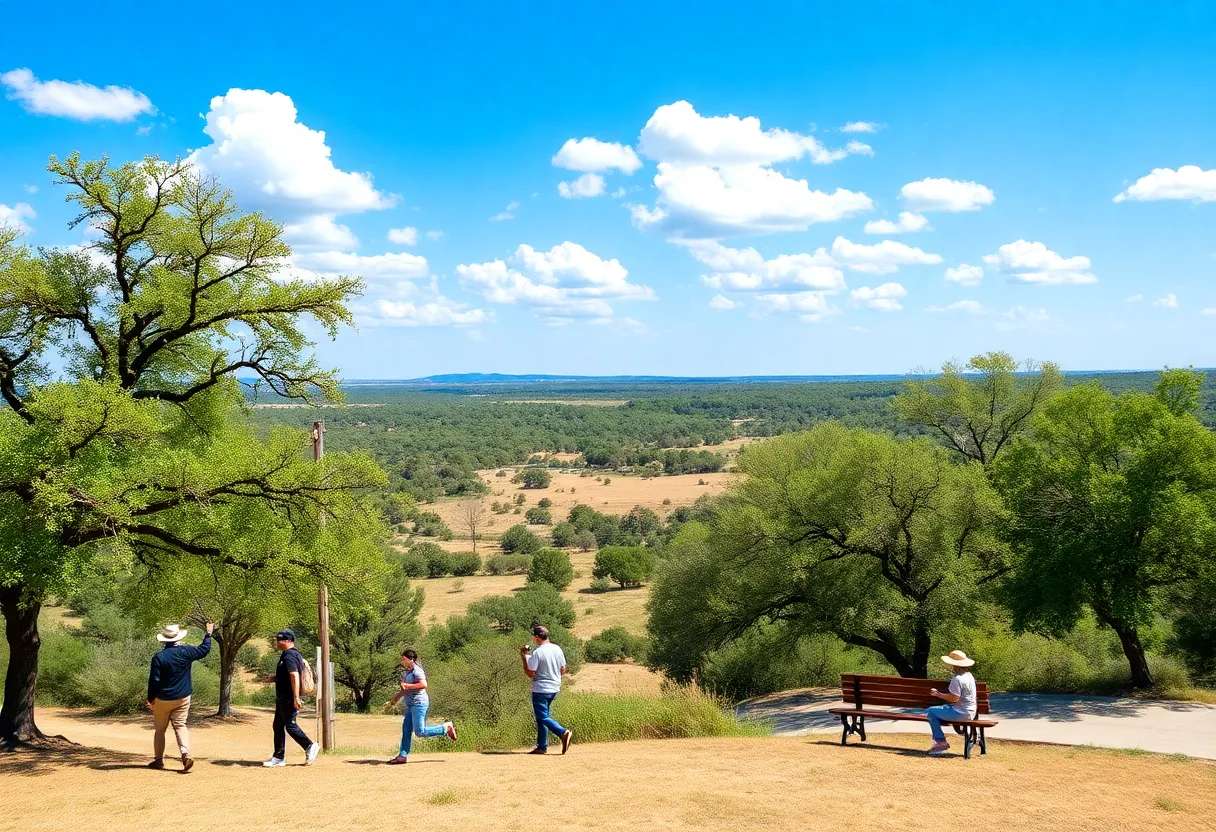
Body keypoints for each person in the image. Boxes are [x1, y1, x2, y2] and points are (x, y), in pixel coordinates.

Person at [146, 621, 213, 772]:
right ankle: (186, 754)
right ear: (178, 638)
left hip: (163, 699)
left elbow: (154, 681)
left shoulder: (159, 657)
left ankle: (158, 760)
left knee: (160, 729)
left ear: (164, 639)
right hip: (183, 697)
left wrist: (151, 699)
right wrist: (208, 634)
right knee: (180, 725)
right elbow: (204, 650)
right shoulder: (186, 651)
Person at [385, 648, 457, 764]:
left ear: (411, 659)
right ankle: (402, 756)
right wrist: (394, 700)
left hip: (419, 703)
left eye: (404, 659)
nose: (402, 661)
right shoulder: (408, 672)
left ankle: (445, 728)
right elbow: (405, 689)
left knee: (420, 732)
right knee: (406, 730)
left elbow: (423, 684)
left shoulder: (417, 671)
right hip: (411, 704)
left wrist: (407, 686)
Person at [263, 629, 319, 767]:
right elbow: (287, 676)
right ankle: (278, 757)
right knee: (278, 725)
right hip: (283, 696)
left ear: (287, 641)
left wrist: (296, 698)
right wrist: (274, 679)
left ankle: (309, 746)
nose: (277, 642)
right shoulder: (287, 655)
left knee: (290, 725)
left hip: (288, 697)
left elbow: (294, 676)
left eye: (279, 639)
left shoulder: (290, 656)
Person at [519, 625, 572, 755]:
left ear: (536, 637)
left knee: (542, 717)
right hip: (554, 687)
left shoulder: (538, 652)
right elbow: (563, 669)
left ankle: (563, 732)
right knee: (542, 716)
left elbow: (530, 673)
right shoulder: (557, 649)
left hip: (541, 688)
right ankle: (541, 746)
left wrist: (523, 657)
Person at [926, 649, 979, 756]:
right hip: (971, 711)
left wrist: (938, 694)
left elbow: (954, 698)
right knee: (938, 711)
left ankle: (940, 742)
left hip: (961, 713)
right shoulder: (969, 676)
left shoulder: (957, 679)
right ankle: (939, 740)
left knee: (930, 711)